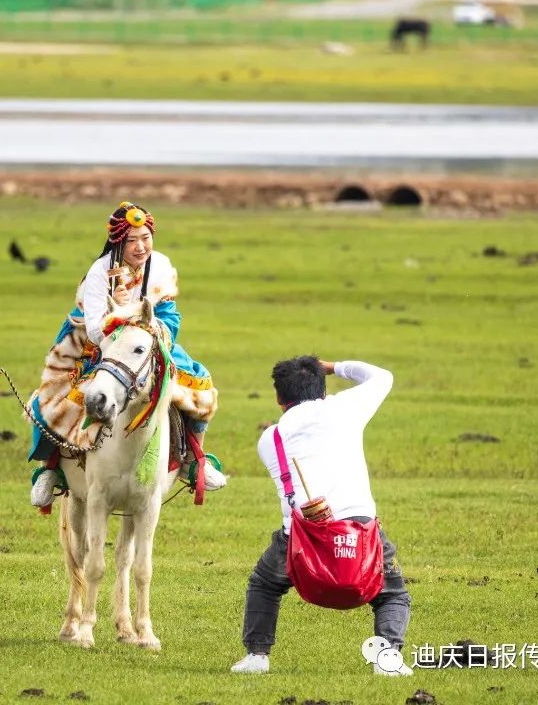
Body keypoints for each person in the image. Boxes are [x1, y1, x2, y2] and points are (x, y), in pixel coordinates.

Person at [28, 202, 226, 507]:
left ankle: (193, 460)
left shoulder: (160, 266)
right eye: (132, 240)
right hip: (97, 343)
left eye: (145, 237)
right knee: (53, 396)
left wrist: (151, 333)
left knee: (199, 384)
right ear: (118, 242)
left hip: (151, 337)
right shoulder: (98, 273)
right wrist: (117, 311)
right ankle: (51, 468)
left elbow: (169, 314)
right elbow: (94, 330)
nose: (140, 246)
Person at [232, 356, 412, 676]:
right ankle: (387, 657)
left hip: (299, 539)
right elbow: (382, 376)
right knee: (393, 594)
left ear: (279, 399)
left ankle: (257, 656)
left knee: (264, 584)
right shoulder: (345, 408)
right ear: (323, 390)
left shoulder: (269, 439)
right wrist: (334, 366)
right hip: (362, 531)